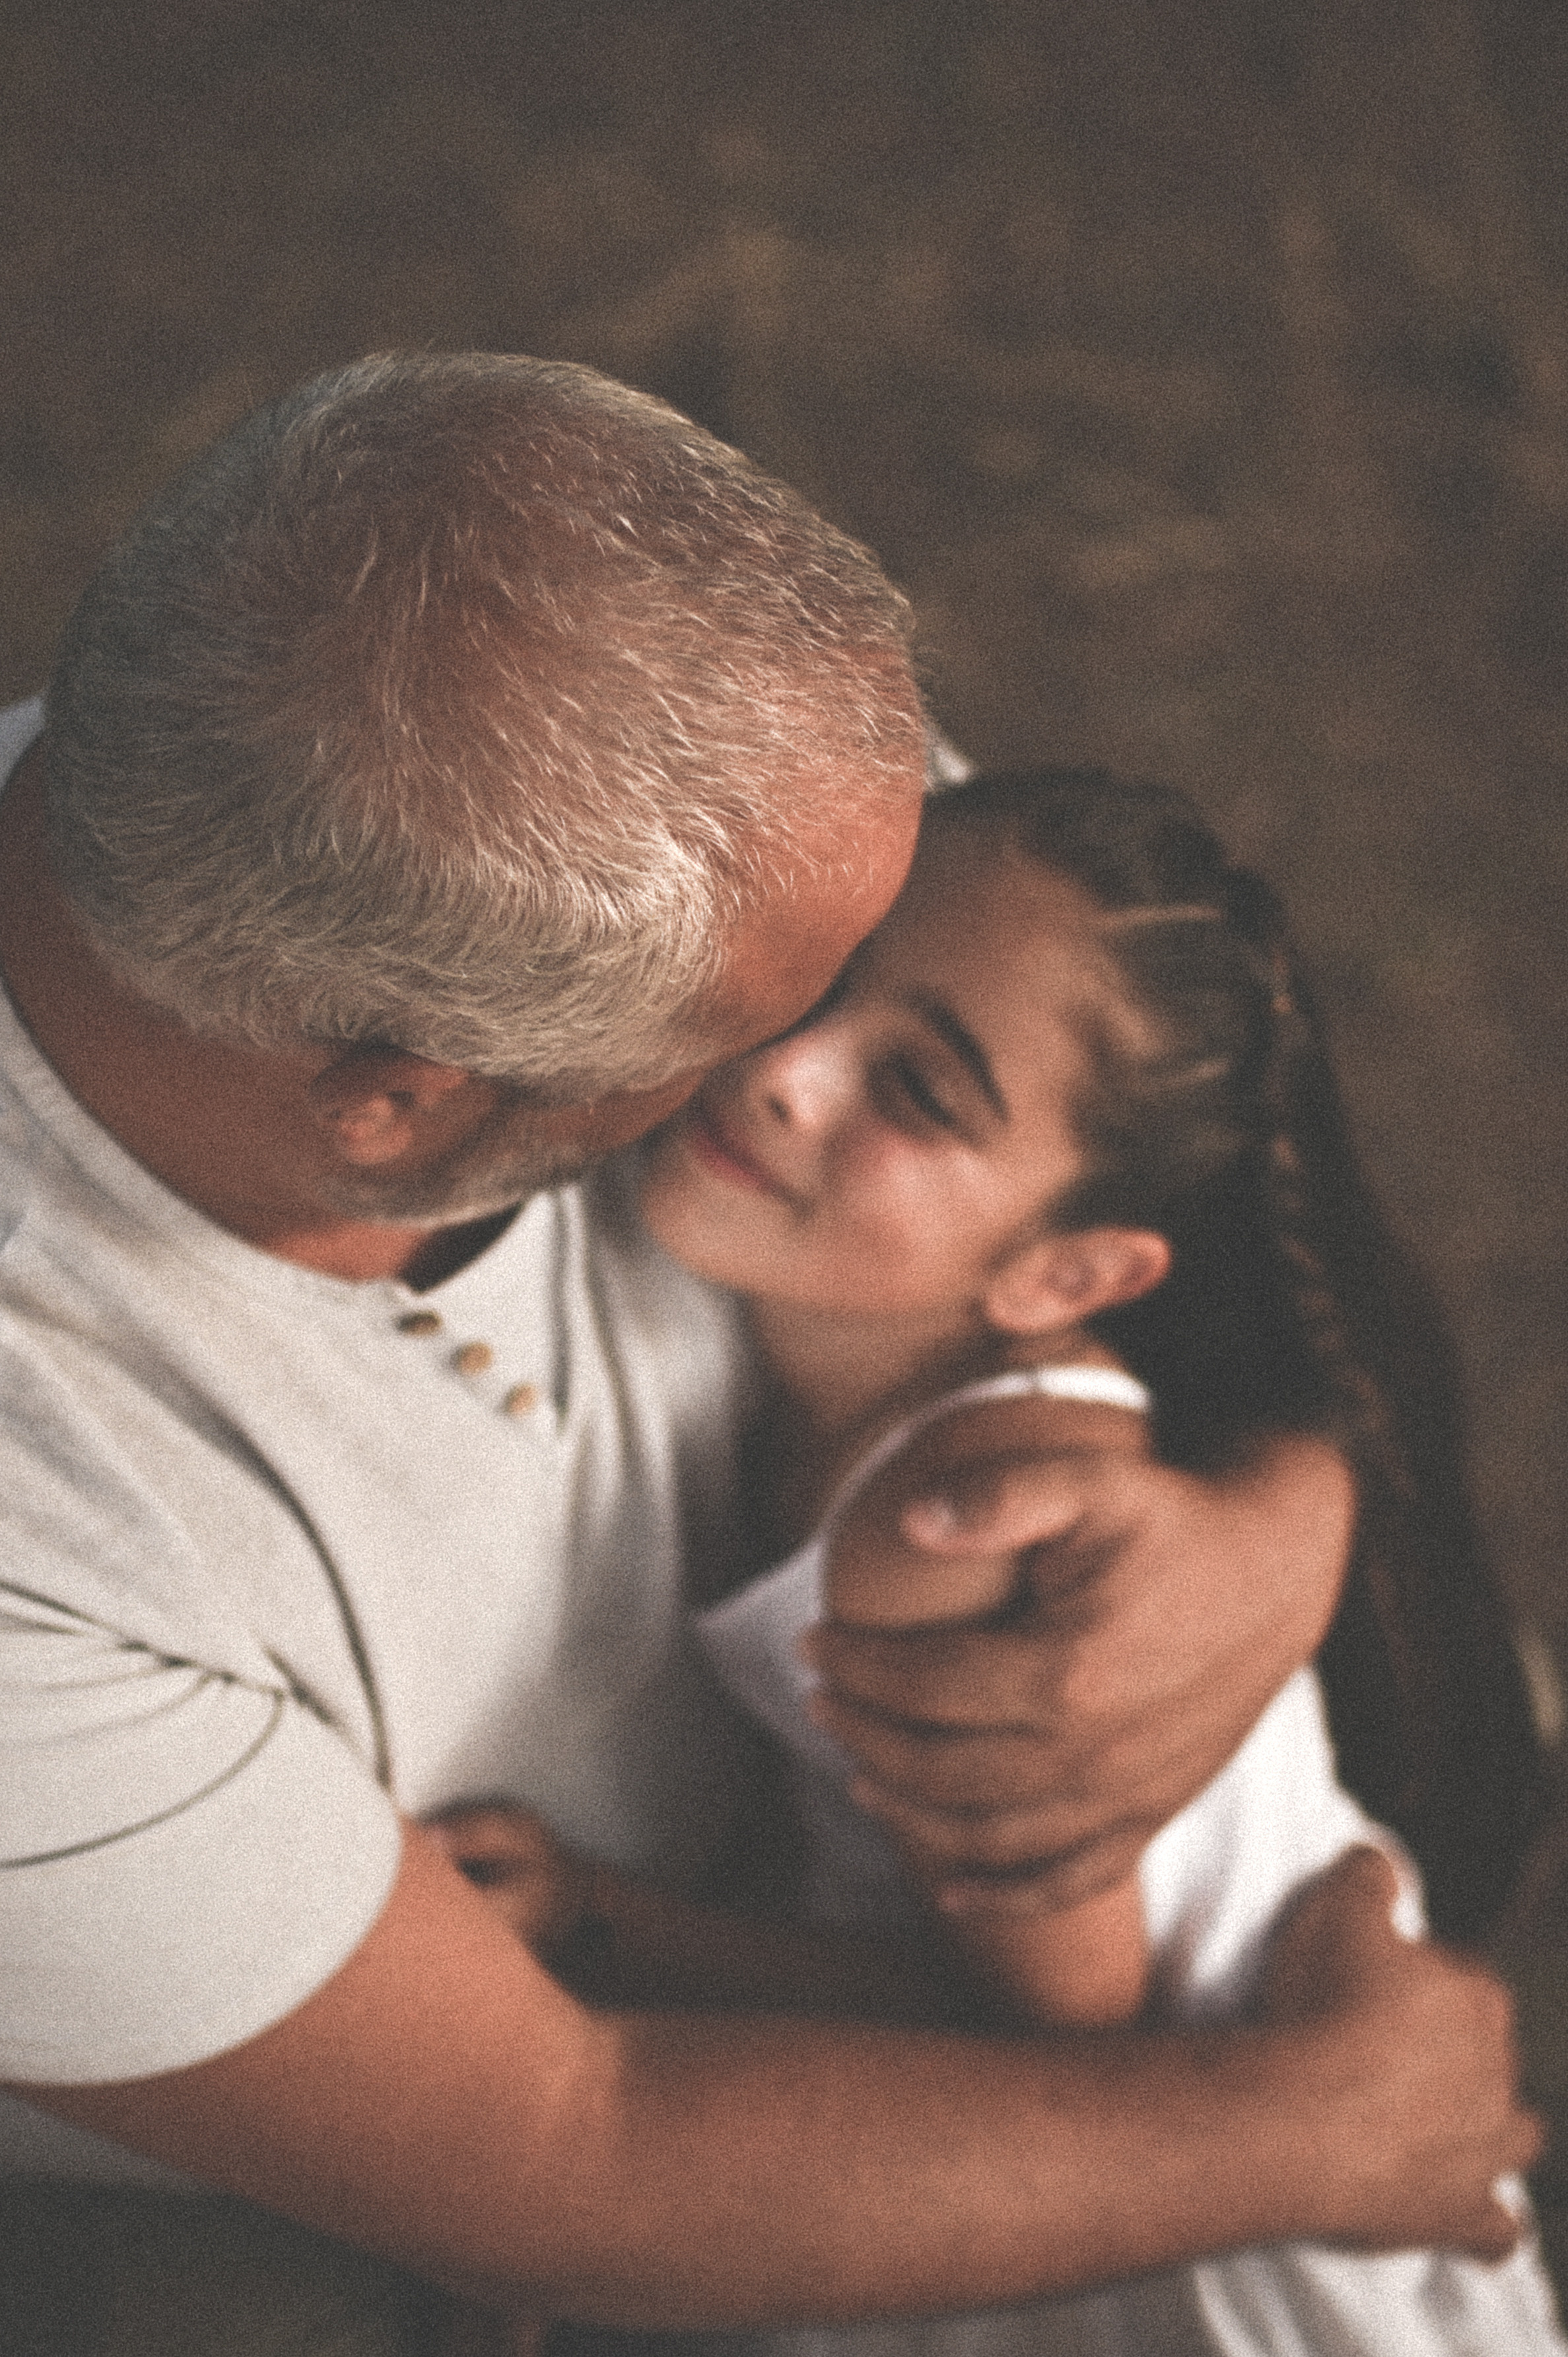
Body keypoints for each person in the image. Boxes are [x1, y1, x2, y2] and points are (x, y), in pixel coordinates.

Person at [0, 354, 1540, 2352]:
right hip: (354, 2103)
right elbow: (570, 2150)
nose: (807, 1058)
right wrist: (1306, 2126)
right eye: (769, 1016)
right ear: (403, 1099)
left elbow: (1179, 1159)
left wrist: (1289, 1509)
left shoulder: (551, 742)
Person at [620, 765, 1562, 2350]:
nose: (789, 1066)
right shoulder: (876, 1402)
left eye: (919, 1092)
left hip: (1185, 2237)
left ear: (1065, 1271)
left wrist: (609, 1928)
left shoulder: (947, 1530)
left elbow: (1054, 2044)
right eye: (827, 976)